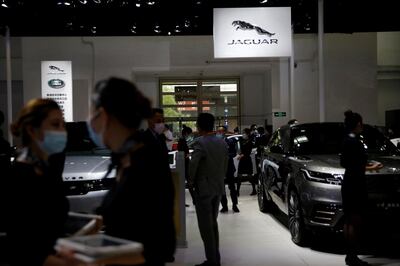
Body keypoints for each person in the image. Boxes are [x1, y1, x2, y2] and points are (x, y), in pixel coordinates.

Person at [89, 77, 176, 266]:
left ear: (104, 115)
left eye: (92, 113)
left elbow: (159, 238)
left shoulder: (145, 159)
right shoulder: (124, 157)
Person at [5, 99, 77, 266]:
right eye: (55, 124)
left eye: (63, 125)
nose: (62, 131)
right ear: (32, 130)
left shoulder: (46, 169)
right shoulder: (20, 176)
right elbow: (21, 246)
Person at [340, 110, 383, 266]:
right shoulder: (356, 142)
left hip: (348, 183)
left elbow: (346, 163)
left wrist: (366, 166)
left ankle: (349, 255)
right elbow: (358, 166)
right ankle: (352, 257)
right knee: (356, 221)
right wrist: (374, 167)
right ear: (358, 124)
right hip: (356, 184)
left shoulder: (346, 140)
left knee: (348, 220)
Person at [189, 113, 228, 266]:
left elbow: (193, 165)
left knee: (206, 227)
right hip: (218, 187)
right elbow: (225, 164)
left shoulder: (200, 143)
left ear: (199, 126)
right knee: (213, 223)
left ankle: (212, 260)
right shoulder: (222, 143)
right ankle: (215, 258)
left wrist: (191, 181)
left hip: (203, 189)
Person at [217, 126, 239, 213]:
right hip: (220, 168)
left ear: (225, 132)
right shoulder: (216, 143)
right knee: (221, 188)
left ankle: (235, 205)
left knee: (232, 187)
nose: (220, 133)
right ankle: (224, 206)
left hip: (229, 167)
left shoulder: (230, 141)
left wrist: (227, 156)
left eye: (221, 131)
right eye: (218, 131)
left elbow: (234, 153)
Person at [177, 125, 195, 206]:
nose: (190, 136)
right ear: (187, 133)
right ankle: (194, 200)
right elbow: (181, 153)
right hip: (184, 164)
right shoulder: (182, 141)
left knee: (188, 183)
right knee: (189, 183)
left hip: (185, 163)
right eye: (190, 134)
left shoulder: (182, 140)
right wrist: (187, 155)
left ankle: (194, 200)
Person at [237, 128, 256, 196]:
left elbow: (248, 152)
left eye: (244, 132)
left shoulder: (250, 142)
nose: (243, 134)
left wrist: (241, 155)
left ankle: (254, 189)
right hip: (242, 160)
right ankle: (237, 191)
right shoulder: (242, 140)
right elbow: (240, 149)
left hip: (247, 159)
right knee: (239, 175)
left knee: (249, 176)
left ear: (247, 133)